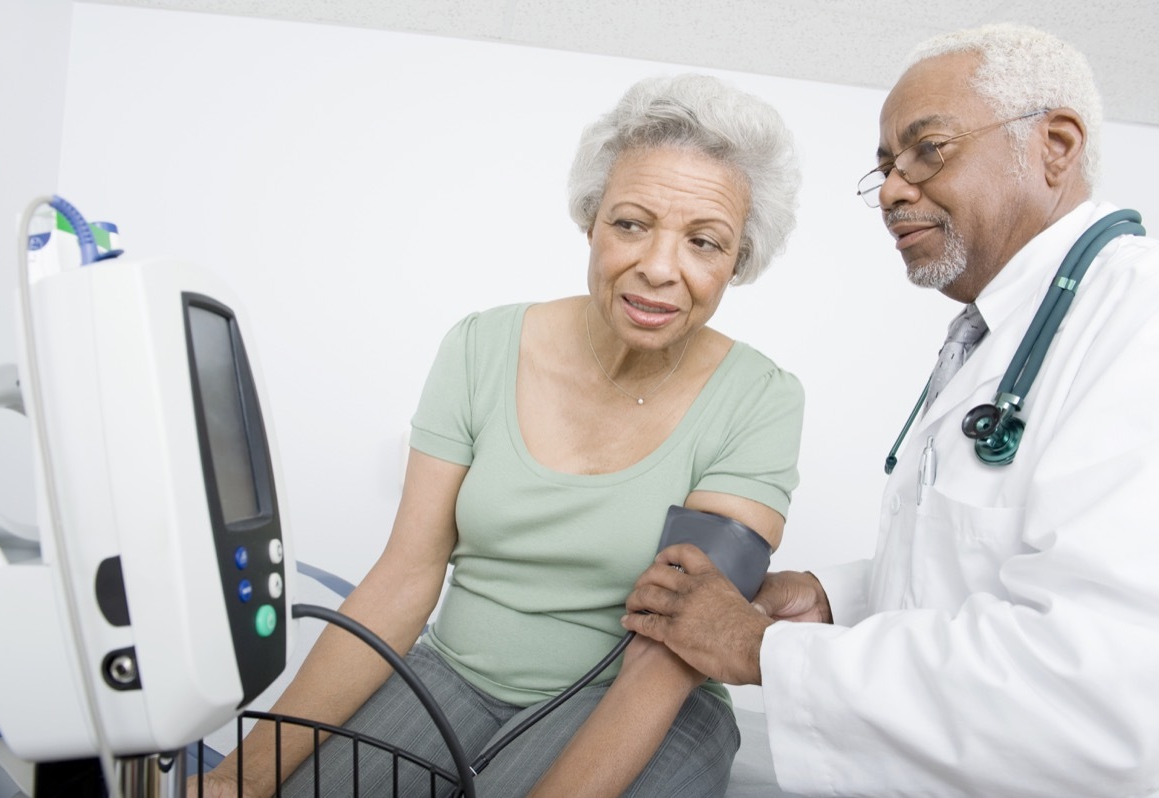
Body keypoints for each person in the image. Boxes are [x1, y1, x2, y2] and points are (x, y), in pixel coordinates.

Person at [196, 73, 805, 798]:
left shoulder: (761, 400)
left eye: (704, 242)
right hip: (452, 673)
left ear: (738, 262)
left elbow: (678, 642)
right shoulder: (481, 347)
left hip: (646, 698)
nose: (659, 267)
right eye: (631, 223)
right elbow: (404, 575)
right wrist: (235, 782)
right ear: (591, 220)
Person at [623, 23, 1159, 798]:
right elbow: (978, 564)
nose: (891, 188)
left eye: (929, 150)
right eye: (885, 166)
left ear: (1054, 146)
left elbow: (1104, 692)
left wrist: (761, 650)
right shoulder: (995, 335)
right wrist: (834, 597)